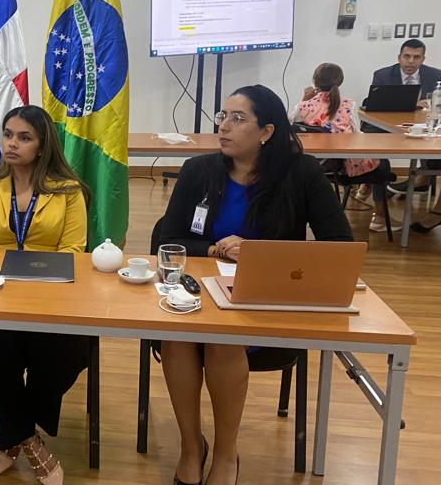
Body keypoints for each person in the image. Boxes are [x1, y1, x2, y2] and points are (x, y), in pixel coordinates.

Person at [159, 85, 352, 485]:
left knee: (223, 337)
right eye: (222, 117)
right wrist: (213, 248)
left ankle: (227, 454)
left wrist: (259, 253)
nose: (224, 127)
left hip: (268, 297)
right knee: (175, 336)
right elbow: (167, 240)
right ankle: (192, 447)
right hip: (199, 292)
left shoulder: (301, 173)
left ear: (266, 131)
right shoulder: (199, 172)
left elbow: (340, 248)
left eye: (237, 118)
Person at [0, 105, 88, 485]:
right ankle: (29, 441)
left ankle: (12, 433)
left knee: (67, 351)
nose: (12, 143)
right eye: (9, 134)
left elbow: (73, 252)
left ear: (43, 147)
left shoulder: (68, 191)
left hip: (51, 301)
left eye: (24, 137)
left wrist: (31, 279)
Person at [292, 63, 396, 232]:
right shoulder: (348, 105)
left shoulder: (304, 106)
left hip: (318, 166)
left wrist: (304, 99)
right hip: (348, 167)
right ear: (339, 82)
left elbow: (291, 123)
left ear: (314, 81)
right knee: (382, 162)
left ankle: (363, 190)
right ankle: (380, 218)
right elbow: (357, 135)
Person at [371, 39, 441, 194]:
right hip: (388, 126)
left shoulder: (436, 76)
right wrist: (414, 104)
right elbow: (375, 104)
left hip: (424, 126)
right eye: (407, 56)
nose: (411, 61)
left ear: (423, 59)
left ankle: (423, 178)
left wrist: (429, 102)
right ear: (399, 57)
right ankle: (378, 190)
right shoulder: (383, 75)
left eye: (416, 57)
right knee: (377, 151)